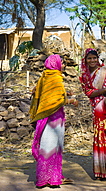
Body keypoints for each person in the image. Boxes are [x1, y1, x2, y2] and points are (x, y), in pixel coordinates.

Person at [29, 54, 78, 189]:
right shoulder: (55, 78)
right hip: (54, 119)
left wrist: (66, 93)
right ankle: (49, 179)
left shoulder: (45, 77)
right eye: (62, 63)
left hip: (45, 118)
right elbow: (56, 100)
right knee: (52, 147)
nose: (64, 66)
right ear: (55, 64)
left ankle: (51, 177)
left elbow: (47, 95)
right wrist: (71, 100)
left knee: (47, 147)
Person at [79, 48, 106, 186]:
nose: (92, 61)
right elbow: (89, 93)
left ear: (98, 59)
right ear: (85, 60)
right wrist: (105, 90)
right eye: (89, 58)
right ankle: (102, 171)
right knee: (99, 139)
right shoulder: (84, 76)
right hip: (97, 111)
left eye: (94, 58)